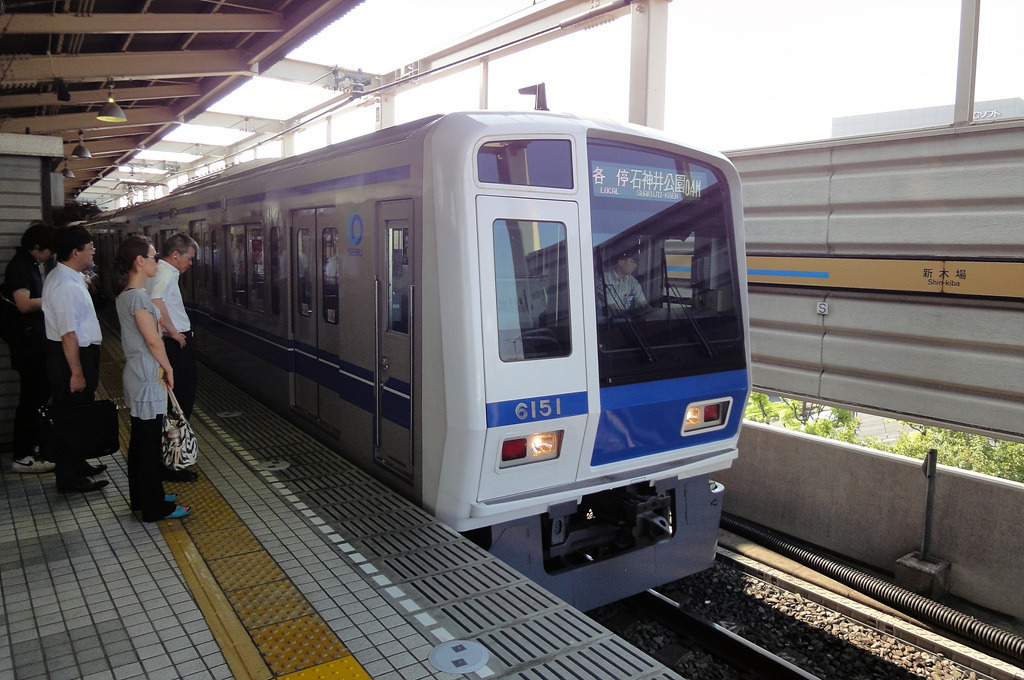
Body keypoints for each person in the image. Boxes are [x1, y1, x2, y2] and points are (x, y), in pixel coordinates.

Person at [113, 235, 191, 521]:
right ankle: (154, 506)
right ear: (139, 260)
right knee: (147, 444)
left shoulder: (126, 294)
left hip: (138, 373)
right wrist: (168, 368)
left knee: (140, 441)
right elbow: (153, 340)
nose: (157, 261)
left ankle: (142, 497)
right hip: (147, 376)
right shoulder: (137, 297)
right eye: (153, 256)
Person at [41, 225, 108, 493]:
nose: (93, 252)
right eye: (90, 248)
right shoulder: (65, 285)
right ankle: (70, 479)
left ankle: (79, 464)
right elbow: (68, 334)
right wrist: (77, 373)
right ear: (75, 252)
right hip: (70, 357)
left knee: (78, 414)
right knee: (71, 417)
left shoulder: (67, 276)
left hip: (73, 355)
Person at [145, 233, 200, 483]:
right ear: (175, 255)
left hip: (172, 342)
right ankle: (171, 462)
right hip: (174, 345)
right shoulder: (165, 273)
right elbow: (155, 301)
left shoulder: (163, 272)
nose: (191, 263)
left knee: (175, 403)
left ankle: (169, 459)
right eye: (189, 257)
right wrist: (173, 331)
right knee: (179, 404)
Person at [2, 221, 56, 473]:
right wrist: (54, 298)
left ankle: (30, 448)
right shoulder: (19, 267)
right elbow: (23, 304)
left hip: (33, 344)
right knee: (30, 400)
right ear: (36, 247)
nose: (49, 256)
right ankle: (22, 456)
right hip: (28, 348)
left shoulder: (29, 265)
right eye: (48, 251)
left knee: (35, 398)